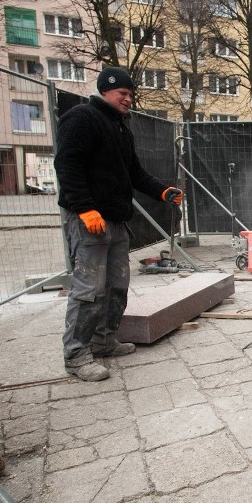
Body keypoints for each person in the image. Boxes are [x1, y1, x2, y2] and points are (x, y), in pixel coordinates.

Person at [55, 66, 183, 382]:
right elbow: (67, 163)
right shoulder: (82, 118)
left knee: (116, 286)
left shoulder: (121, 128)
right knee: (89, 290)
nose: (128, 99)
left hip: (115, 220)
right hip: (89, 221)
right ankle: (77, 354)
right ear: (105, 90)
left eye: (130, 94)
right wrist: (84, 208)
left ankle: (104, 341)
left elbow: (135, 173)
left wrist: (162, 190)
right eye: (122, 94)